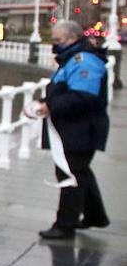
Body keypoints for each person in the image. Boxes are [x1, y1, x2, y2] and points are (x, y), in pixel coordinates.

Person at [33, 20, 110, 239]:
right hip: (76, 127)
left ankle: (65, 225)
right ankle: (95, 216)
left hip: (82, 128)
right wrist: (45, 102)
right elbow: (65, 90)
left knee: (70, 173)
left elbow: (82, 96)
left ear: (73, 39)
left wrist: (50, 106)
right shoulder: (72, 60)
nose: (55, 45)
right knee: (80, 171)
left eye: (58, 41)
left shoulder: (84, 61)